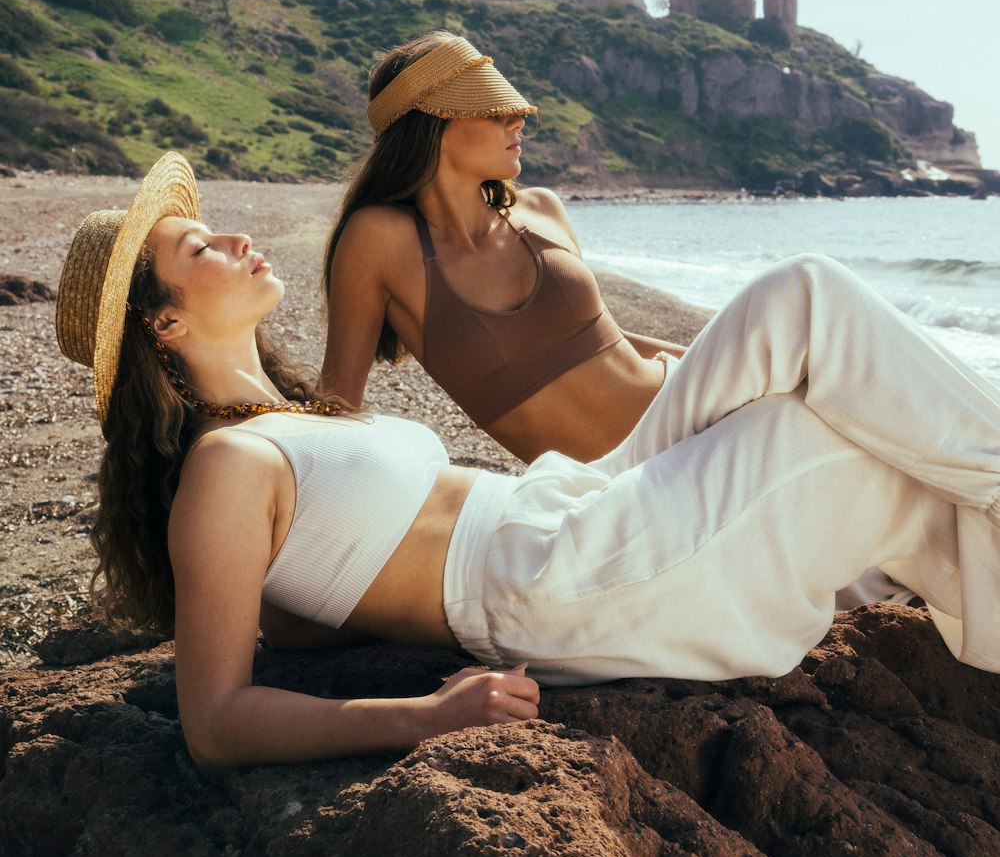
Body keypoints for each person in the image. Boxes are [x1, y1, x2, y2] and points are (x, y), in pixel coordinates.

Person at [57, 153, 1000, 768]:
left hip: (578, 501)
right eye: (200, 247)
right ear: (164, 321)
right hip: (554, 580)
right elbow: (215, 719)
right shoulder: (226, 468)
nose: (236, 238)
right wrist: (423, 715)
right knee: (833, 439)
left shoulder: (287, 423)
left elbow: (305, 621)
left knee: (802, 298)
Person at [321, 31, 687, 464]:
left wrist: (713, 353)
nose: (517, 121)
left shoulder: (542, 210)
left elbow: (608, 342)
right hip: (618, 489)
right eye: (494, 110)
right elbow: (338, 403)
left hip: (691, 409)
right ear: (433, 122)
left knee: (787, 297)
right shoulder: (379, 238)